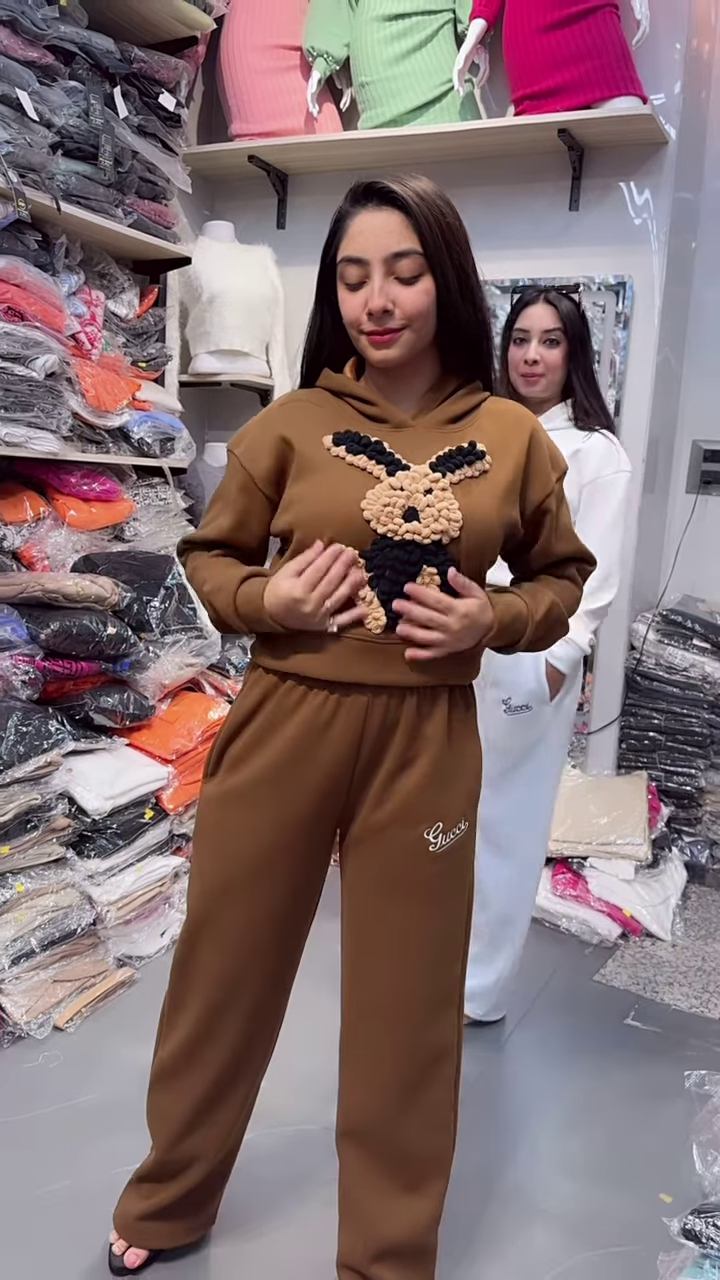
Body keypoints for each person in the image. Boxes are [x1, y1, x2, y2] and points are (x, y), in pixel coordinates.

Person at [107, 177, 595, 1278]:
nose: (377, 299)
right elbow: (210, 557)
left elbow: (561, 579)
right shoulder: (291, 424)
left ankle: (386, 1255)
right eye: (354, 276)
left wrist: (493, 618)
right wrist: (267, 599)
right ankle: (172, 1193)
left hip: (426, 741)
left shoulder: (514, 438)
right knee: (224, 972)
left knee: (407, 1005)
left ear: (447, 280)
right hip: (286, 720)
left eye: (405, 273)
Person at [464, 285, 632, 1026]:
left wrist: (559, 659)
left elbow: (598, 573)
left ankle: (478, 989)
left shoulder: (595, 453)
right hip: (456, 645)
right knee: (445, 815)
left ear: (574, 355)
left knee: (505, 825)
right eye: (520, 339)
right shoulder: (481, 432)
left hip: (531, 655)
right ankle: (434, 961)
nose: (531, 355)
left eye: (551, 341)